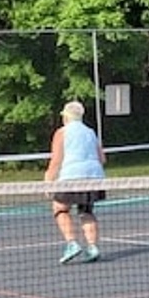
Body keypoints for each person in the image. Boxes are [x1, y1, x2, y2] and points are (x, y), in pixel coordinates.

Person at [44, 100, 106, 264]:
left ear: (67, 117)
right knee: (86, 211)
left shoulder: (62, 133)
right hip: (94, 176)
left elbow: (56, 160)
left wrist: (48, 180)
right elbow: (102, 158)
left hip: (72, 176)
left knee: (59, 208)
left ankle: (72, 243)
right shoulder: (91, 132)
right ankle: (92, 247)